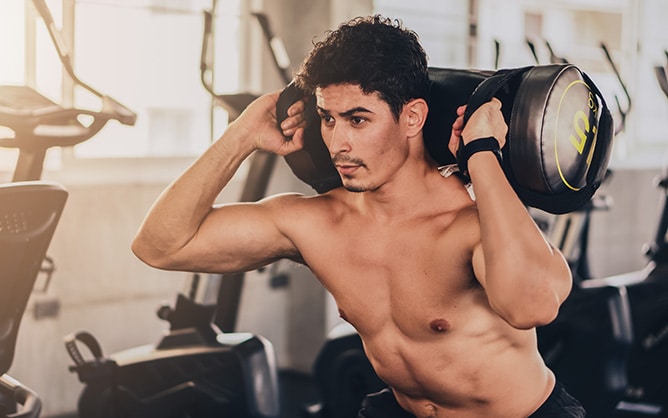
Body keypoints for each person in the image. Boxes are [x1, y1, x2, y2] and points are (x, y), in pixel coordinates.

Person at [132, 15, 585, 418]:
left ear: (412, 118)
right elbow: (160, 245)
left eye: (358, 120)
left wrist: (482, 152)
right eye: (328, 119)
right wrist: (243, 133)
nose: (337, 144)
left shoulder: (468, 224)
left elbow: (532, 305)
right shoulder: (318, 224)